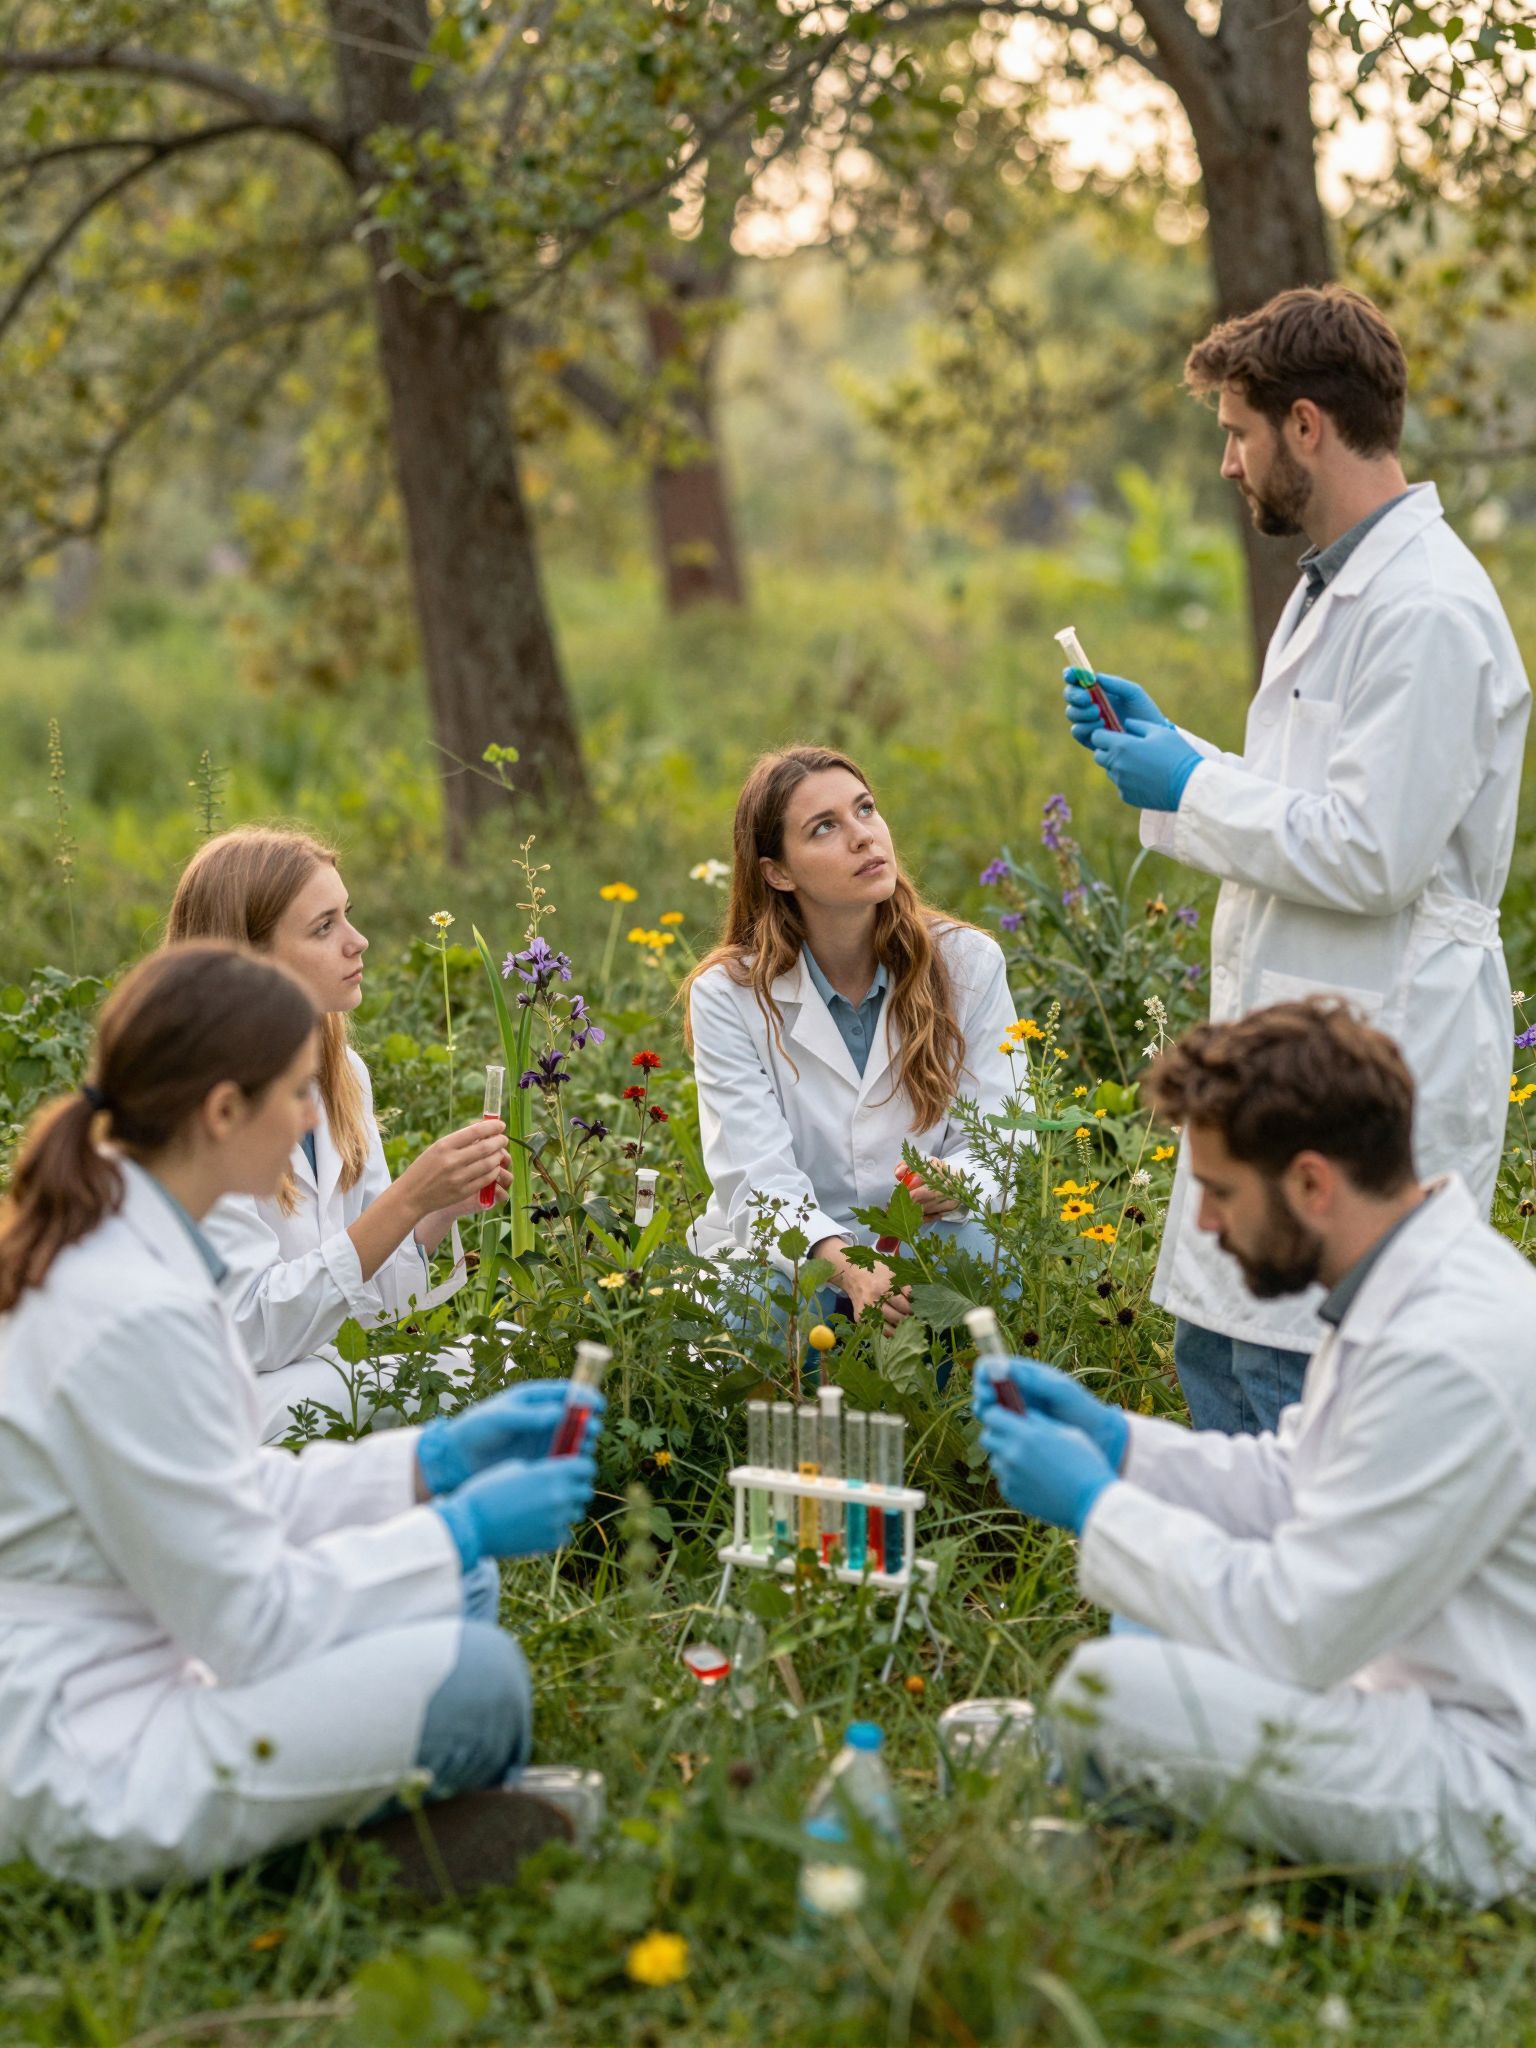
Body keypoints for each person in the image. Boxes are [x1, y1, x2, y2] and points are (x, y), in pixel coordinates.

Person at [0, 942, 601, 1892]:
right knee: (481, 1682)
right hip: (93, 1750)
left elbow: (234, 1485)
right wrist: (455, 1524)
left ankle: (401, 1813)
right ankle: (321, 1875)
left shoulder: (132, 1242)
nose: (313, 1116)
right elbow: (249, 1619)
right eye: (293, 1093)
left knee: (461, 1589)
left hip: (161, 1637)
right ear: (223, 1111)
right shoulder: (128, 1310)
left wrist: (430, 1463)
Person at [1063, 285, 1529, 1435]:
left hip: (1381, 1051)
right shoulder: (1338, 584)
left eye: (1238, 430)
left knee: (1302, 1415)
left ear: (1307, 425)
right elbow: (1323, 808)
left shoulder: (1425, 609)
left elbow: (1373, 854)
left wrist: (1192, 784)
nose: (1228, 463)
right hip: (1297, 1058)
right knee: (1223, 1362)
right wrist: (1179, 757)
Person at [977, 1000, 1536, 1904]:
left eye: (1220, 1190)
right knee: (1156, 1624)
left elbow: (1297, 1629)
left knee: (1103, 1695)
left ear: (1312, 1183)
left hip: (1492, 1777)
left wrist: (1096, 1508)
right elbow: (1297, 1480)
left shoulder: (1448, 1350)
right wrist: (1119, 1447)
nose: (1202, 1223)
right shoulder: (1408, 1280)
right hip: (1408, 1672)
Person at [167, 828, 509, 1441]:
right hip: (218, 1398)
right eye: (324, 927)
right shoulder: (194, 1104)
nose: (358, 942)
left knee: (501, 1358)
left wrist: (435, 1211)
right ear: (250, 959)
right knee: (465, 1379)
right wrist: (406, 1199)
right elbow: (250, 1327)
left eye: (346, 916)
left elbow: (369, 1299)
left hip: (315, 1374)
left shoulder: (341, 1075)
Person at [682, 746, 1019, 1330]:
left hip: (928, 1238)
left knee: (992, 1272)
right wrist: (848, 1267)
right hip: (793, 1257)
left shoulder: (968, 963)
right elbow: (758, 1182)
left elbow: (1005, 1130)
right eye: (825, 828)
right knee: (760, 1314)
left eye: (865, 810)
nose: (863, 836)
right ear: (777, 872)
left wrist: (959, 1182)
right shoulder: (728, 995)